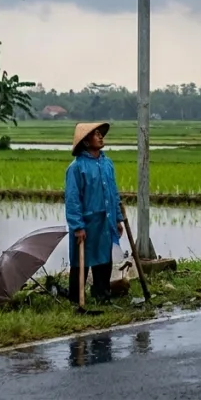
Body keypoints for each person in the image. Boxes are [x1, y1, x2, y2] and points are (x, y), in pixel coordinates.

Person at [65, 122, 124, 303]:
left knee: (104, 259)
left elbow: (113, 193)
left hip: (105, 220)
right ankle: (76, 298)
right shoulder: (76, 168)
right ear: (86, 142)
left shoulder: (107, 164)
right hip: (87, 222)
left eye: (100, 134)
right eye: (96, 134)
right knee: (80, 263)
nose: (100, 137)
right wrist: (77, 226)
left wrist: (118, 218)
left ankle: (102, 295)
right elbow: (73, 199)